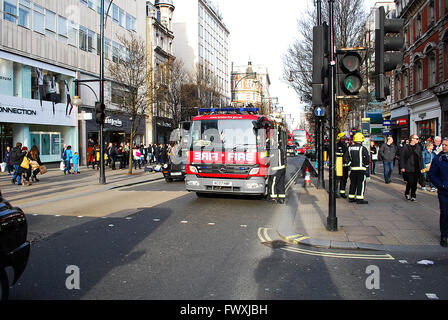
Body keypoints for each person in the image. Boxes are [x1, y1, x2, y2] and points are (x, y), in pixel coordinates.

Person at [428, 138, 448, 247]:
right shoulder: (438, 159)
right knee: (445, 213)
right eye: (443, 145)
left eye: (446, 145)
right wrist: (441, 185)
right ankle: (444, 236)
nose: (444, 147)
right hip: (444, 191)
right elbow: (432, 174)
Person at [345, 132, 370, 204]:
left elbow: (346, 157)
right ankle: (360, 198)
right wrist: (366, 165)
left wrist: (350, 163)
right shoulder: (363, 148)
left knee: (353, 183)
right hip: (361, 169)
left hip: (353, 169)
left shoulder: (350, 148)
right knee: (361, 184)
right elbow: (367, 158)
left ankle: (351, 197)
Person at [400, 134, 424, 201]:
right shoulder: (406, 147)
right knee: (410, 181)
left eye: (418, 139)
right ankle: (407, 193)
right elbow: (402, 158)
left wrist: (422, 168)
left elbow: (420, 158)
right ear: (412, 139)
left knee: (415, 182)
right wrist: (402, 167)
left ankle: (413, 195)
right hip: (408, 167)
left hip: (416, 167)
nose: (418, 140)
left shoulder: (418, 147)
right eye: (416, 139)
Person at [267, 126, 286, 204]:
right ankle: (281, 198)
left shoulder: (273, 150)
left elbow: (269, 159)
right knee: (281, 183)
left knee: (273, 182)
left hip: (276, 169)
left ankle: (273, 197)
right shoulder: (279, 149)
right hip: (282, 168)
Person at [335, 132, 349, 198]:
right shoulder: (336, 146)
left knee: (344, 179)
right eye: (342, 139)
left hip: (345, 166)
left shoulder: (345, 146)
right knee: (337, 179)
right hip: (338, 165)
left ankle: (342, 192)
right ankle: (335, 192)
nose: (343, 140)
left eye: (344, 139)